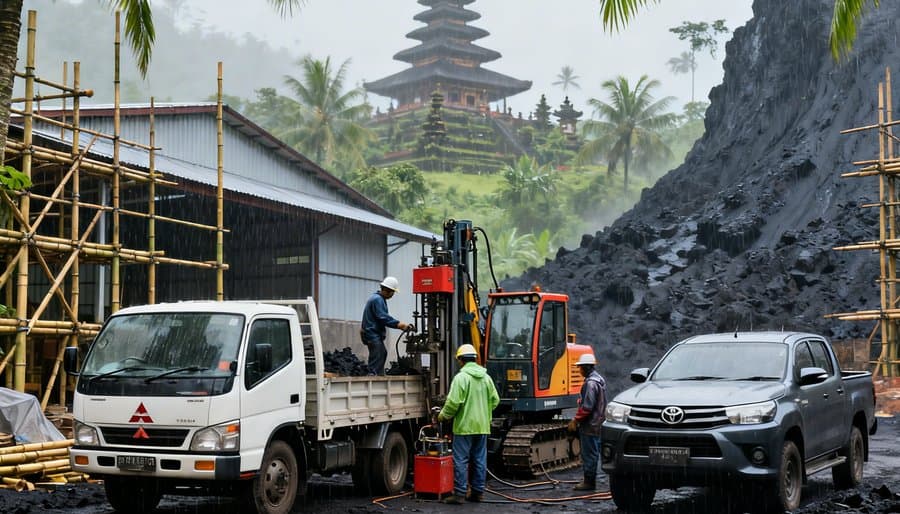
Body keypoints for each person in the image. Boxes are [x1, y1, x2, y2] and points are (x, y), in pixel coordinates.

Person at [438, 344, 500, 505]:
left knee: (461, 460)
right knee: (479, 459)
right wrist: (484, 412)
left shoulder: (461, 378)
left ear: (460, 360)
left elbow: (453, 403)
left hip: (464, 427)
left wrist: (442, 416)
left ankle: (459, 493)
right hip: (482, 426)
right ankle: (478, 492)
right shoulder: (486, 378)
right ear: (474, 359)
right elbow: (495, 400)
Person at [567, 352, 607, 491]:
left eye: (581, 367)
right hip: (598, 423)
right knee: (594, 452)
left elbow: (587, 407)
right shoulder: (599, 380)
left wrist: (575, 420)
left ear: (586, 367)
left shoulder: (590, 383)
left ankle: (589, 482)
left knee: (589, 454)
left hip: (590, 425)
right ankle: (590, 480)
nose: (579, 370)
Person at [360, 276, 410, 375]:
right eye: (393, 292)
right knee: (378, 355)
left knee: (382, 353)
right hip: (372, 334)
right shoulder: (377, 300)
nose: (393, 295)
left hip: (371, 333)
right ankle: (373, 378)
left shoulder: (377, 298)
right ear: (389, 291)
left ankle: (377, 375)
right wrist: (399, 325)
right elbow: (383, 317)